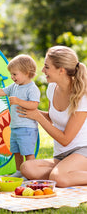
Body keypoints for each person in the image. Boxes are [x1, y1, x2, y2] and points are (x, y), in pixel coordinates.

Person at [19, 46, 87, 187]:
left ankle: (63, 173)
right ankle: (66, 173)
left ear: (61, 70)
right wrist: (26, 111)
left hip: (82, 151)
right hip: (61, 156)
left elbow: (65, 139)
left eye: (47, 67)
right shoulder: (52, 88)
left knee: (59, 178)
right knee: (27, 168)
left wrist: (37, 116)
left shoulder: (82, 97)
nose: (43, 71)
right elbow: (51, 117)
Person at [0, 54, 40, 179]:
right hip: (15, 127)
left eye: (15, 74)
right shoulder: (14, 86)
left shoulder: (32, 88)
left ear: (27, 72)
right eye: (11, 74)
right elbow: (1, 92)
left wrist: (18, 101)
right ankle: (19, 171)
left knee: (28, 152)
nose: (12, 77)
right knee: (16, 152)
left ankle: (31, 173)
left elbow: (34, 105)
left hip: (27, 128)